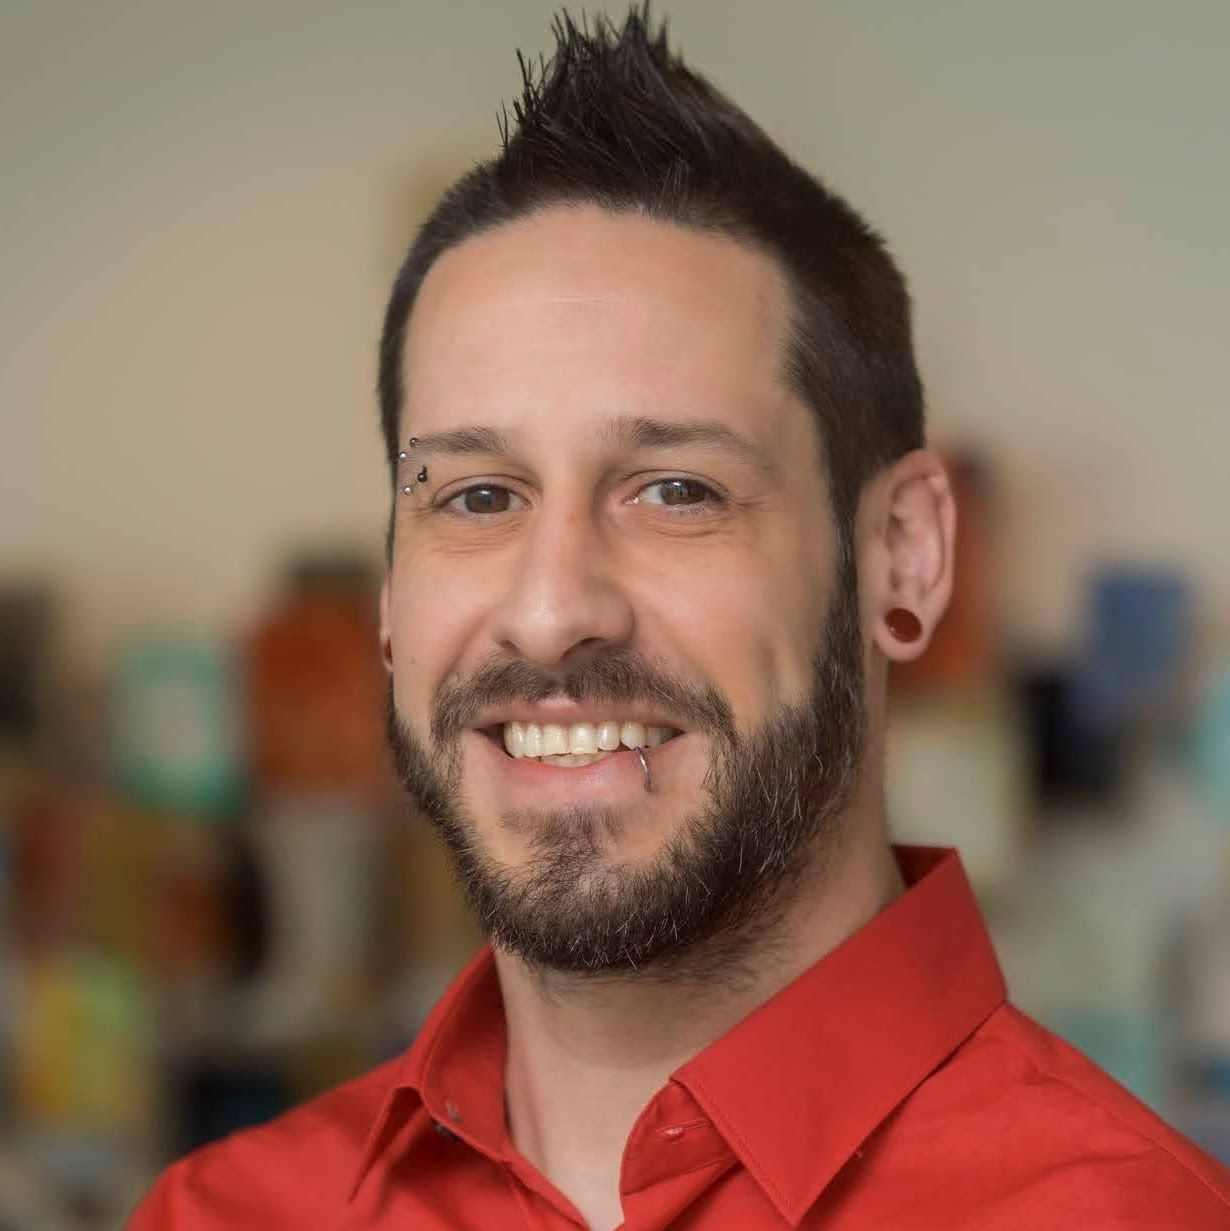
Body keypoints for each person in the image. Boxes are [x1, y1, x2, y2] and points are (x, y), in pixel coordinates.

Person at [129, 6, 1230, 1228]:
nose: (551, 613)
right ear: (392, 593)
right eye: (478, 496)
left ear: (905, 558)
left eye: (676, 491)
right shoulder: (216, 1214)